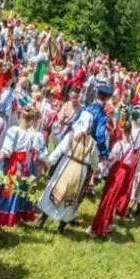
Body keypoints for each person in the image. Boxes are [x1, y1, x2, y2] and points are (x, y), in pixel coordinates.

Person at [37, 100, 103, 233]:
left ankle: (42, 220)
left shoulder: (71, 136)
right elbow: (95, 162)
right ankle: (62, 226)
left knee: (55, 190)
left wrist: (48, 161)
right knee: (71, 198)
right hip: (80, 172)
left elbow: (58, 150)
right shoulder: (93, 144)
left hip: (65, 166)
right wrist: (96, 171)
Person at [0, 106, 44, 230]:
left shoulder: (21, 132)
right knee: (6, 193)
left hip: (16, 167)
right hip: (16, 167)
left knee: (7, 193)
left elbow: (13, 150)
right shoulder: (22, 132)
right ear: (29, 120)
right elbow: (11, 149)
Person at [90, 123, 137, 238]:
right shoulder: (131, 147)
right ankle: (108, 223)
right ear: (130, 132)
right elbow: (129, 162)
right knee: (113, 198)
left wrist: (104, 162)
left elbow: (111, 158)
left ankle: (101, 226)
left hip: (116, 173)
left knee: (108, 198)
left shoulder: (118, 145)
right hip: (123, 174)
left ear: (122, 130)